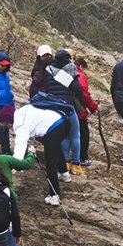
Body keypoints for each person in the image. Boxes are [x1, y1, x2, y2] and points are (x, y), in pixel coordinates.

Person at [12, 101, 73, 205]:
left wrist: (15, 164)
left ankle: (54, 196)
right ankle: (65, 174)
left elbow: (20, 145)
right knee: (56, 149)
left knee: (50, 163)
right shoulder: (23, 111)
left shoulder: (20, 124)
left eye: (6, 124)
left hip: (54, 127)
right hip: (64, 121)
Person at [44, 49, 85, 178]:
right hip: (67, 105)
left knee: (64, 136)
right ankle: (76, 164)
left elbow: (46, 86)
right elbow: (77, 88)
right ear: (68, 59)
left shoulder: (48, 69)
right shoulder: (70, 68)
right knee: (75, 134)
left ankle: (66, 161)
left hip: (54, 106)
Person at [74, 55, 100, 167]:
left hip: (68, 107)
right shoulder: (80, 75)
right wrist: (94, 107)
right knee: (83, 134)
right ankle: (82, 157)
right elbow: (84, 94)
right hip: (79, 109)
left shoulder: (67, 71)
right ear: (81, 66)